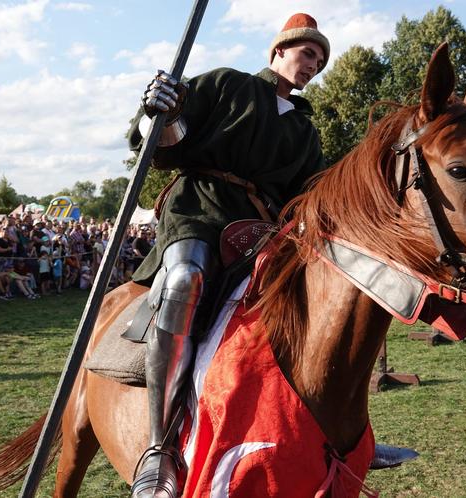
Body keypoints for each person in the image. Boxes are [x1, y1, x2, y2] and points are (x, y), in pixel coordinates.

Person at [125, 13, 329, 497]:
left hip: (263, 235)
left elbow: (312, 195)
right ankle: (159, 448)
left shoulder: (305, 130)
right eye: (307, 54)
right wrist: (163, 113)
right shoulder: (228, 85)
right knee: (184, 282)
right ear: (279, 51)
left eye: (319, 61)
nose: (312, 66)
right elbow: (164, 143)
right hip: (200, 211)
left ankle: (333, 430)